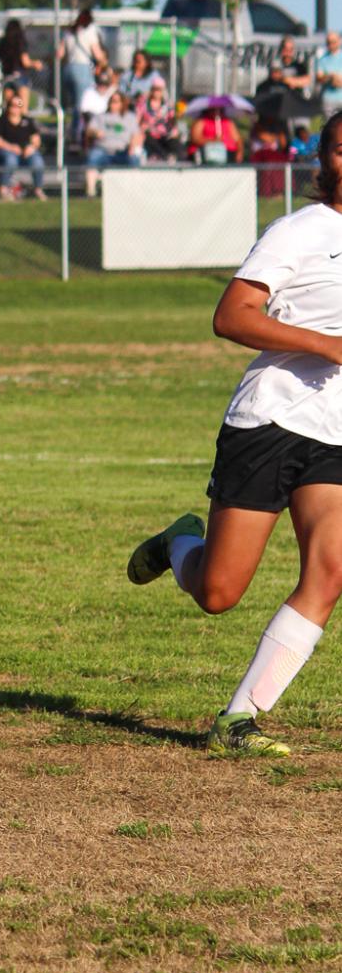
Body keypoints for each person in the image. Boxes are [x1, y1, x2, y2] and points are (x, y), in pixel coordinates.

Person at [126, 113, 342, 755]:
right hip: (269, 421)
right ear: (325, 160)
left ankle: (238, 720)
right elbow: (231, 315)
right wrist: (327, 346)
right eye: (341, 146)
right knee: (219, 592)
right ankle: (180, 541)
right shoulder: (303, 231)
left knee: (330, 571)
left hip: (333, 432)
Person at [0, 92, 47, 198]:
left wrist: (31, 148)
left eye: (19, 106)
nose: (16, 109)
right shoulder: (1, 121)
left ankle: (38, 190)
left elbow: (36, 139)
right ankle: (3, 188)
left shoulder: (27, 121)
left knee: (37, 161)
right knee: (10, 159)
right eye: (13, 106)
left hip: (25, 152)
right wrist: (11, 147)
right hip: (6, 150)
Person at [59, 7, 104, 138]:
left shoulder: (69, 32)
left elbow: (60, 53)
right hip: (82, 69)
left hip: (67, 69)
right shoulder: (90, 31)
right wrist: (102, 62)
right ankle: (77, 134)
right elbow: (97, 54)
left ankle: (67, 132)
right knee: (82, 105)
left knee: (71, 105)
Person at [0, 18, 43, 97]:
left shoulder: (3, 42)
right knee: (21, 105)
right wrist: (35, 64)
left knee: (10, 105)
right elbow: (25, 61)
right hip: (20, 78)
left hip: (7, 78)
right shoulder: (20, 42)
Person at [315, 30, 342, 123]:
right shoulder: (322, 59)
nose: (331, 45)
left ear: (339, 41)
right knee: (331, 127)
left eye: (333, 42)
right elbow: (319, 78)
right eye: (328, 43)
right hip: (329, 99)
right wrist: (330, 77)